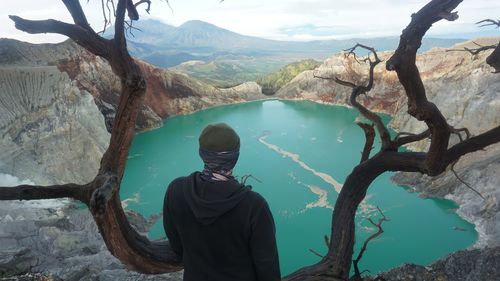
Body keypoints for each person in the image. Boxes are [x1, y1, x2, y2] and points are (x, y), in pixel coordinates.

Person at [163, 123, 281, 281]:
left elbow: (177, 246)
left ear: (202, 154)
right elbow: (267, 267)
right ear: (235, 157)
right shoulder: (254, 206)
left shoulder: (176, 190)